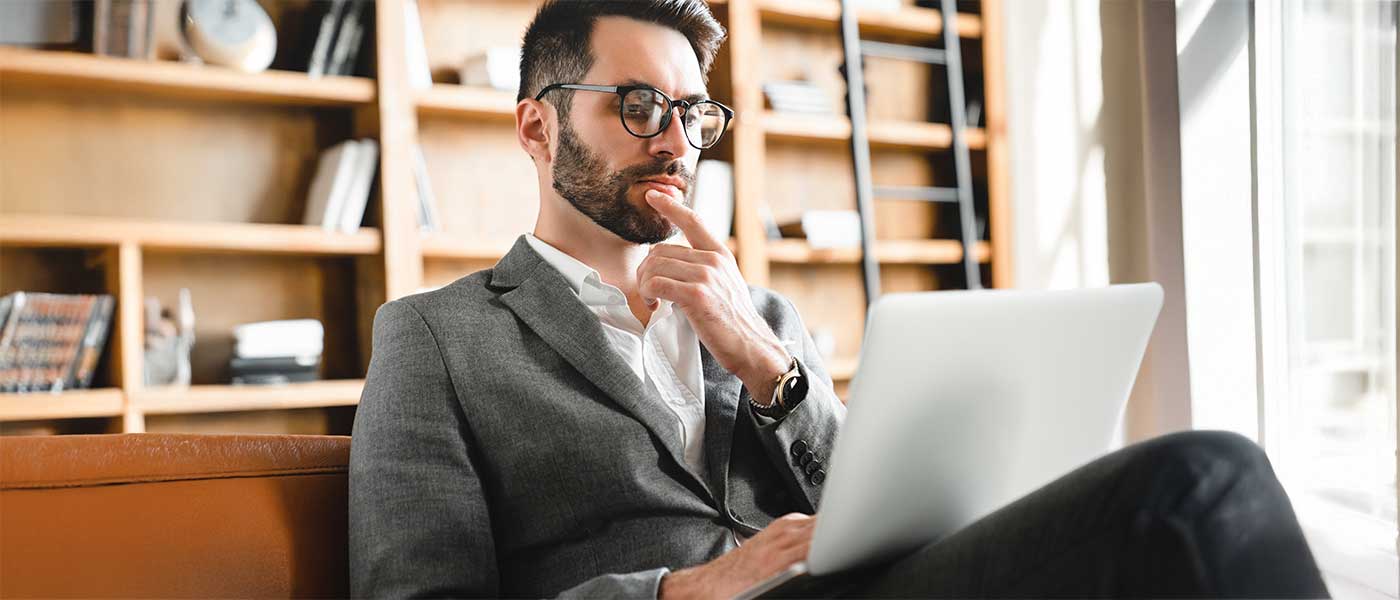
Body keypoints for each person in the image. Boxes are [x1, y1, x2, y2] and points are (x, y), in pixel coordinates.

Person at [348, 1, 1329, 597]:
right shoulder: (436, 338)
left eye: (693, 113)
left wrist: (765, 365)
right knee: (1193, 485)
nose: (677, 142)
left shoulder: (760, 318)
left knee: (1193, 505)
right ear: (535, 127)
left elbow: (878, 507)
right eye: (639, 106)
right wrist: (679, 591)